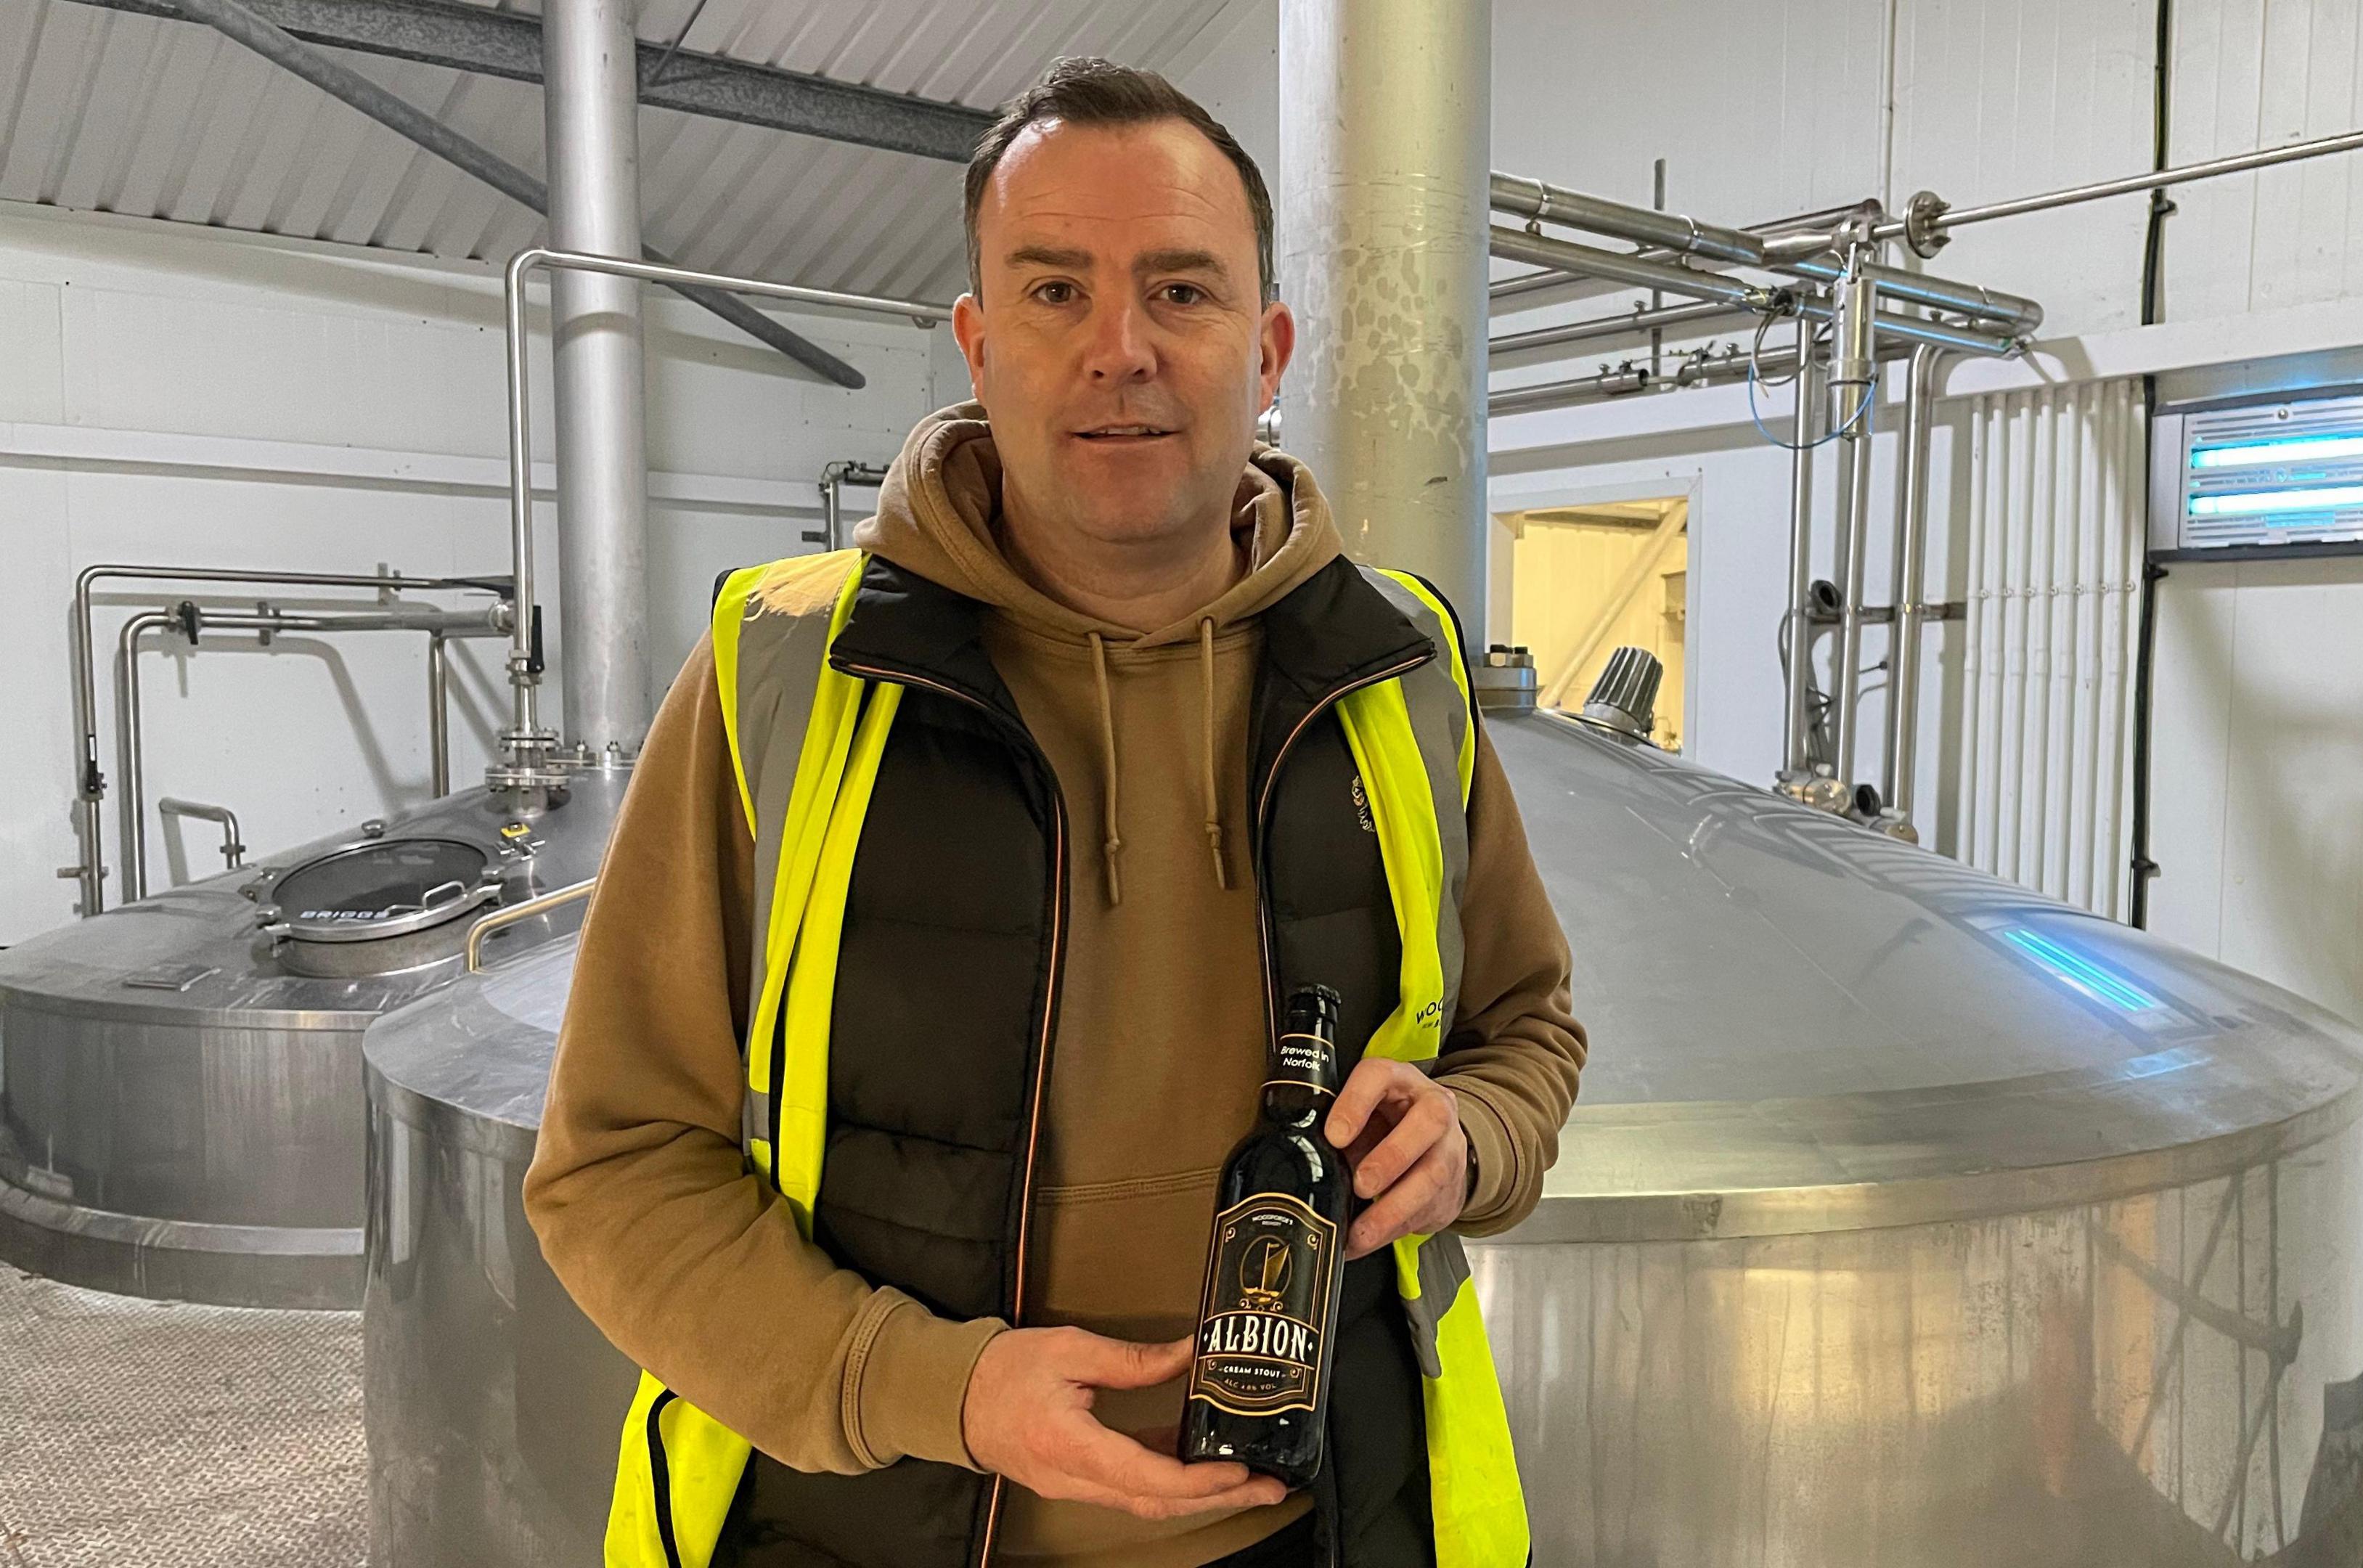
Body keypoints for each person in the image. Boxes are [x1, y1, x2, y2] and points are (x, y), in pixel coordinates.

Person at [525, 55, 1585, 1568]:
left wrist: (1474, 1137)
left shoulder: (1395, 668)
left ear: (1267, 344)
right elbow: (615, 1167)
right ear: (973, 342)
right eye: (1052, 292)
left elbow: (1529, 1028)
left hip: (1331, 1529)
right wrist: (930, 1388)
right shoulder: (787, 674)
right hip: (869, 1533)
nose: (1120, 350)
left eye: (1181, 292)